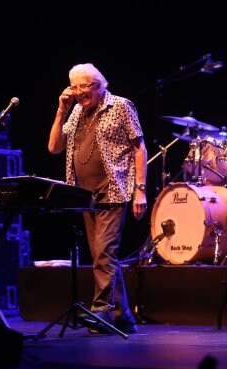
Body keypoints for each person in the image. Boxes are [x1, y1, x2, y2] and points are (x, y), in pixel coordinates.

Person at [48, 63, 148, 334]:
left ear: (99, 85)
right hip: (83, 195)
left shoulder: (121, 106)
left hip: (113, 190)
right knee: (103, 258)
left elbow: (140, 149)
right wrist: (61, 111)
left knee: (105, 253)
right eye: (74, 87)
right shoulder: (77, 111)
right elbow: (54, 147)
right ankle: (123, 315)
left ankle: (101, 311)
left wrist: (141, 189)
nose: (79, 93)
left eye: (84, 87)